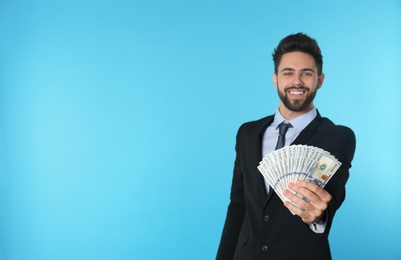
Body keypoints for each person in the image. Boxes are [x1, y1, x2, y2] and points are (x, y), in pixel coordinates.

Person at [216, 33, 356, 259]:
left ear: (320, 80)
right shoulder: (247, 133)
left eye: (306, 73)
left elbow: (334, 192)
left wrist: (319, 216)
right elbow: (238, 204)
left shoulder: (338, 136)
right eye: (288, 73)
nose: (297, 81)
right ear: (276, 79)